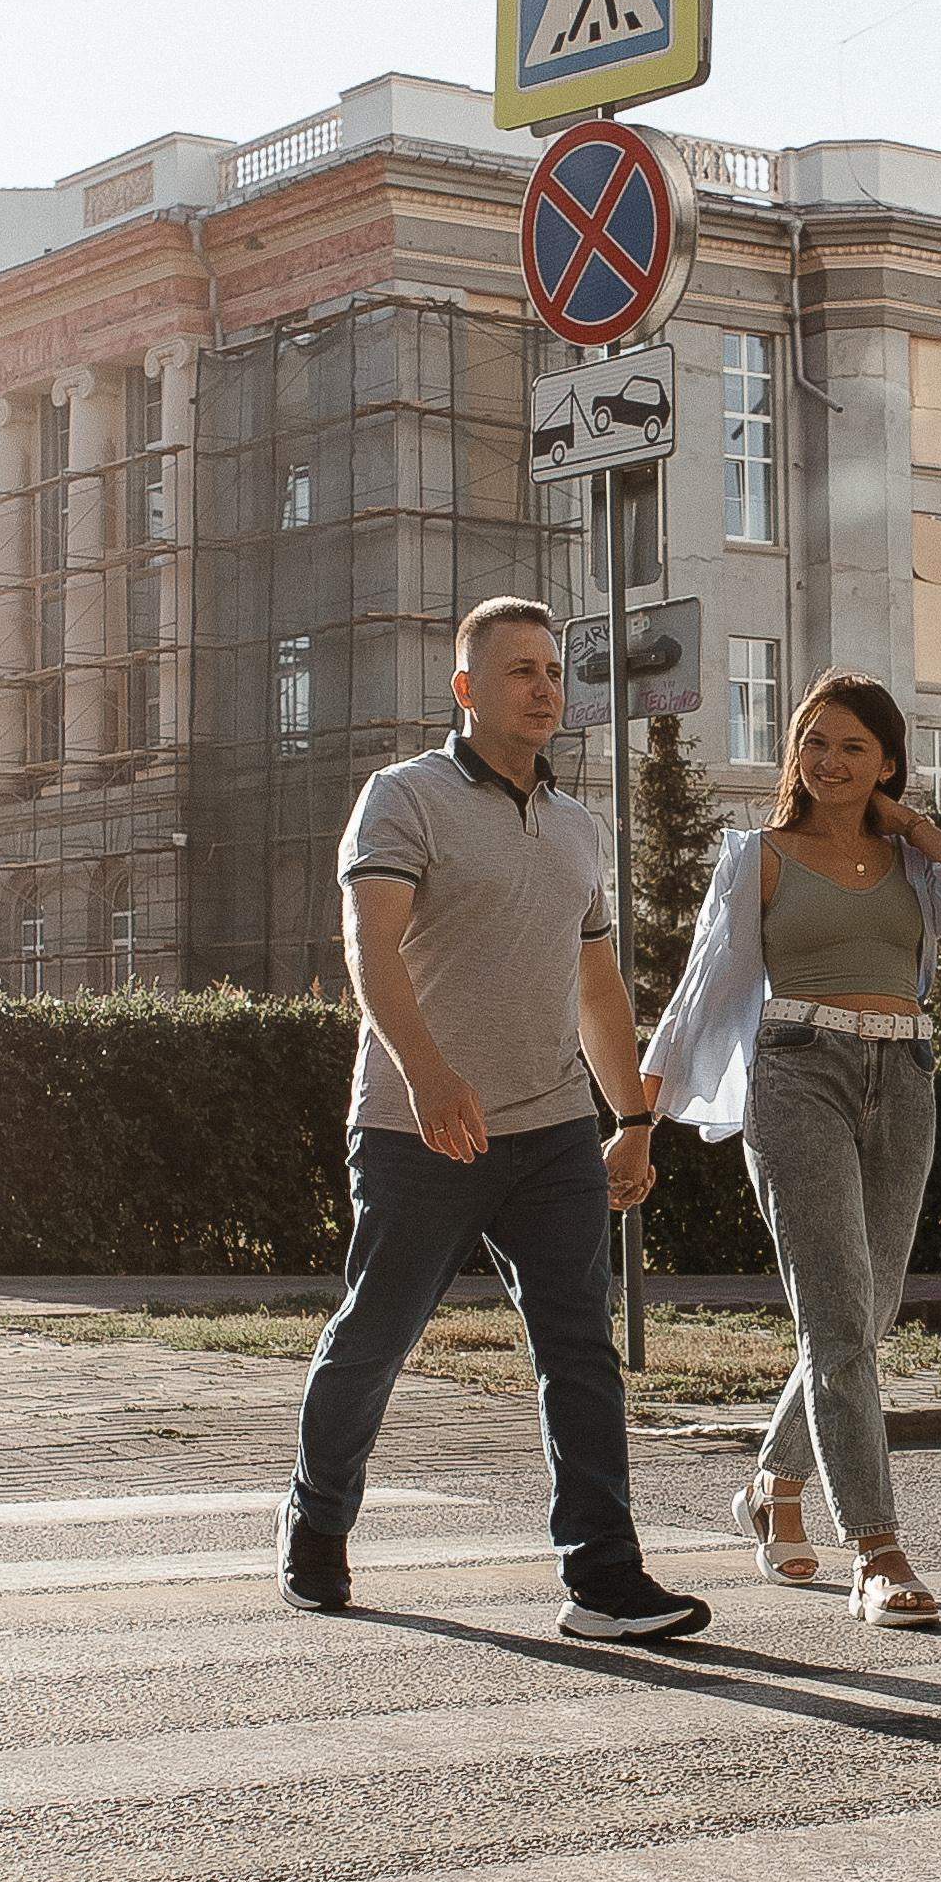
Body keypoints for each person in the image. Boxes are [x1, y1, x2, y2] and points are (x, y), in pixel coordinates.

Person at [277, 595, 709, 1645]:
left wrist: (634, 1118)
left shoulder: (577, 825)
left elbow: (598, 986)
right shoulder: (404, 798)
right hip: (416, 1125)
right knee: (375, 1335)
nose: (544, 688)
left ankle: (602, 1576)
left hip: (553, 1127)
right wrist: (428, 1077)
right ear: (465, 690)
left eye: (553, 671)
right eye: (518, 671)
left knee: (578, 1346)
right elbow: (369, 950)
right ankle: (316, 1526)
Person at [642, 671, 941, 1627]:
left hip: (907, 1077)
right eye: (813, 743)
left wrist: (906, 820)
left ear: (885, 761)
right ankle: (877, 1550)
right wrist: (637, 1117)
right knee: (840, 1315)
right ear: (792, 756)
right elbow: (699, 991)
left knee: (869, 1311)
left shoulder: (917, 867)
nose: (829, 762)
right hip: (798, 1072)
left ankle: (773, 1480)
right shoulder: (757, 856)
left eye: (853, 747)